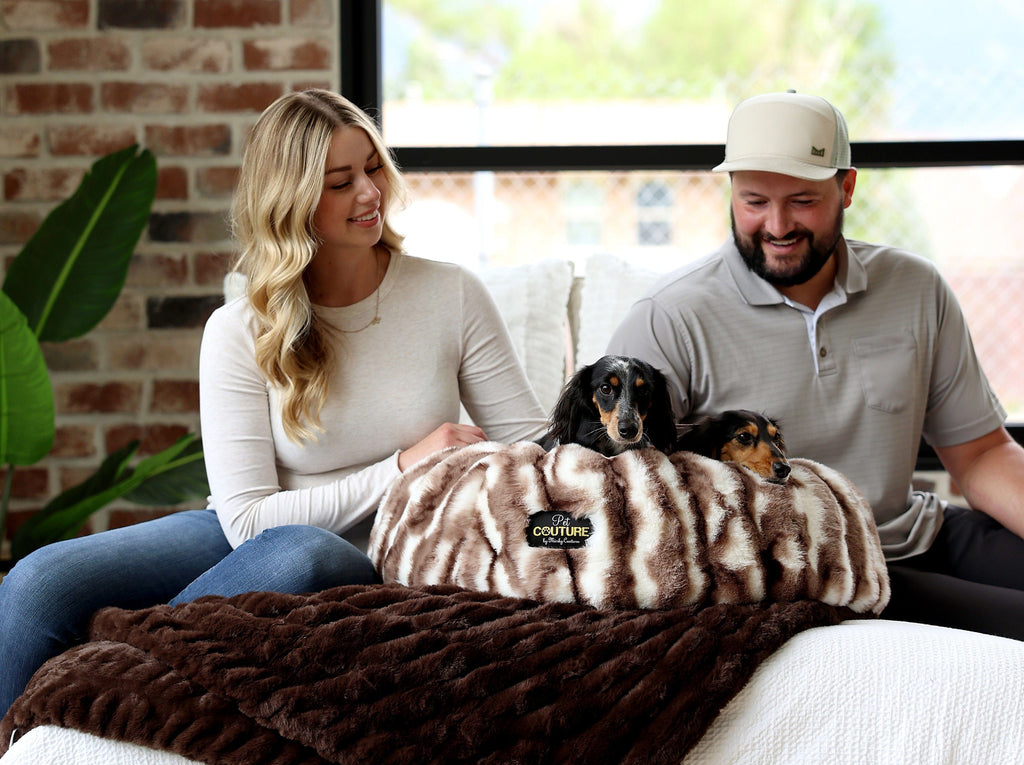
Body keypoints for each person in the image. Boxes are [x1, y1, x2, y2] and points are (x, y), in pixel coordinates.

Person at [0, 88, 547, 717]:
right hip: (247, 531)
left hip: (381, 542)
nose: (370, 194)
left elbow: (535, 445)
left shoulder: (451, 294)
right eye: (340, 182)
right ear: (290, 204)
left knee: (301, 554)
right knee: (38, 583)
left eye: (372, 168)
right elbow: (245, 524)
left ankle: (117, 678)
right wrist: (402, 465)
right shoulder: (238, 330)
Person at [608, 90, 1024, 639]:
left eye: (802, 201)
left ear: (847, 188)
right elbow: (606, 491)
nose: (777, 226)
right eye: (754, 201)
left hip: (920, 533)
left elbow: (981, 454)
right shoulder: (669, 319)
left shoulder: (916, 288)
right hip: (815, 572)